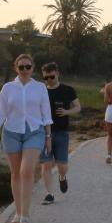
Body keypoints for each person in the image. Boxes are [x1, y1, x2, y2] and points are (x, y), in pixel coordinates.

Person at [0, 54, 52, 223]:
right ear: (16, 68)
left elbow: (46, 114)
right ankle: (17, 211)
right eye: (21, 67)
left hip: (34, 132)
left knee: (27, 171)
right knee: (15, 173)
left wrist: (48, 137)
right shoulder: (8, 88)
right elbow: (0, 113)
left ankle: (25, 214)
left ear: (33, 68)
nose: (25, 70)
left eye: (28, 67)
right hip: (11, 133)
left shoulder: (40, 88)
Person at [39, 62, 80, 204]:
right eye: (46, 78)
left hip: (61, 132)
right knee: (46, 164)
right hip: (43, 133)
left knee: (62, 165)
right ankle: (49, 194)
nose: (49, 80)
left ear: (58, 73)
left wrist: (67, 111)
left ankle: (62, 177)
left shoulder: (68, 90)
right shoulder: (41, 91)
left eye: (51, 76)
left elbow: (78, 107)